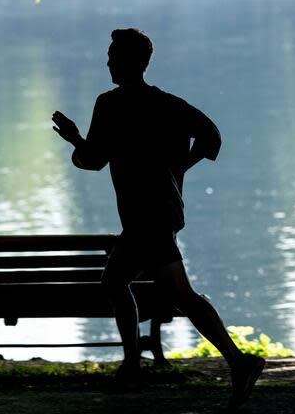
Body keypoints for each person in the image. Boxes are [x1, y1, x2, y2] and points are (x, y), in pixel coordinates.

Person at [51, 28, 265, 410]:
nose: (108, 62)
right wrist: (179, 166)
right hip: (158, 209)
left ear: (131, 61)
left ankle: (235, 361)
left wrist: (74, 140)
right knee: (117, 280)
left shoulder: (110, 104)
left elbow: (93, 160)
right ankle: (136, 365)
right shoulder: (168, 104)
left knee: (174, 292)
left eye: (113, 56)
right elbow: (211, 136)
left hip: (146, 214)